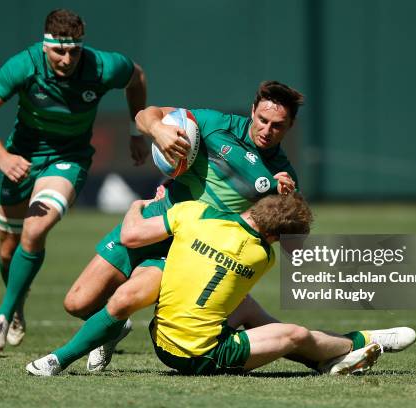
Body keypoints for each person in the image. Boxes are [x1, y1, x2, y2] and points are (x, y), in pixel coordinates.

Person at [26, 193, 416, 376]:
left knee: (250, 313)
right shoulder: (261, 257)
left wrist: (138, 205)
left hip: (160, 334)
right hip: (199, 355)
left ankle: (56, 359)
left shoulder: (193, 214)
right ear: (278, 237)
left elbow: (131, 233)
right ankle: (361, 341)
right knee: (291, 333)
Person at [61, 81, 303, 371]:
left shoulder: (283, 176)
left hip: (189, 246)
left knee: (128, 297)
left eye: (277, 125)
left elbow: (284, 233)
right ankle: (113, 329)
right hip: (155, 218)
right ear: (253, 111)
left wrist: (285, 200)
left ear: (289, 126)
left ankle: (65, 354)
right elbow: (144, 114)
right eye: (262, 120)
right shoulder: (215, 124)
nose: (266, 130)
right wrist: (159, 130)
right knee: (77, 303)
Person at [0, 9, 149, 351]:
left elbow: (137, 77)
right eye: (58, 51)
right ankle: (17, 307)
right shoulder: (24, 65)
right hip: (20, 158)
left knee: (35, 229)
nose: (67, 59)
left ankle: (3, 315)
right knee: (8, 251)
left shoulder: (103, 66)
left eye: (74, 51)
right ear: (45, 45)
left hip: (69, 158)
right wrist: (3, 157)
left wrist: (135, 130)